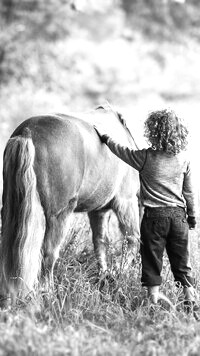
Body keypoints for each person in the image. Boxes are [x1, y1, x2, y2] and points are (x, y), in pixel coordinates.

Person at [95, 109, 197, 308]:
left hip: (153, 218)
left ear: (152, 131)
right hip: (178, 217)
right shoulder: (184, 160)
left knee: (151, 260)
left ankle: (153, 300)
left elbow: (121, 150)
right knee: (181, 260)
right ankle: (190, 298)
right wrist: (191, 216)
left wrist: (106, 138)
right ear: (180, 133)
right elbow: (189, 193)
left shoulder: (145, 157)